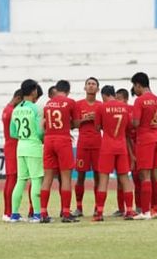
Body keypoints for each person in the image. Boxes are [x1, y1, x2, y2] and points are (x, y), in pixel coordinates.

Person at [94, 85, 136, 221]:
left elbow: (97, 127)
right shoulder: (124, 107)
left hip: (107, 146)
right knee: (125, 179)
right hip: (121, 146)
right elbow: (129, 126)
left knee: (103, 179)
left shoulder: (101, 107)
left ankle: (99, 213)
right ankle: (129, 210)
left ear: (104, 95)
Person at [40, 79, 80, 223]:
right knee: (66, 177)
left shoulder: (48, 103)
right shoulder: (70, 102)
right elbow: (75, 124)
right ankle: (66, 213)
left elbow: (44, 123)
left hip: (49, 140)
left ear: (56, 90)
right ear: (68, 91)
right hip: (63, 140)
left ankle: (43, 213)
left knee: (47, 178)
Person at [130, 72, 157, 220]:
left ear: (138, 85)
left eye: (134, 86)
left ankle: (145, 211)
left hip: (145, 139)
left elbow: (136, 123)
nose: (135, 89)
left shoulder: (140, 101)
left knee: (144, 175)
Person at [9, 79, 44, 223]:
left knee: (20, 181)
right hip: (34, 147)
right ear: (34, 90)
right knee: (36, 180)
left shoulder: (16, 109)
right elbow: (40, 132)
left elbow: (12, 133)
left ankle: (14, 214)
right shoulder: (36, 109)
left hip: (21, 147)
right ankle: (37, 214)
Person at [73, 77, 102, 217]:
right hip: (83, 144)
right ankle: (79, 207)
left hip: (98, 144)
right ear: (84, 88)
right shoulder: (78, 105)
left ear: (98, 89)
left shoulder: (101, 105)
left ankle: (98, 207)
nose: (91, 86)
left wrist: (95, 119)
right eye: (88, 84)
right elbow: (73, 124)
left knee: (98, 176)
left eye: (93, 84)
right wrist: (85, 119)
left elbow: (104, 125)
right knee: (80, 176)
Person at [116, 87, 142, 214]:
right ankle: (121, 209)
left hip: (135, 147)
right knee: (121, 179)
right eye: (116, 99)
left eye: (119, 99)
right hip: (122, 147)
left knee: (137, 178)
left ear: (126, 99)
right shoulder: (117, 111)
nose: (117, 101)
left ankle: (139, 206)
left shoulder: (132, 110)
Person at [1, 89, 23, 221]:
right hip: (13, 147)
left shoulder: (6, 109)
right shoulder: (11, 112)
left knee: (11, 179)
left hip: (9, 146)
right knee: (12, 179)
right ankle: (8, 213)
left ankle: (7, 212)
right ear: (18, 98)